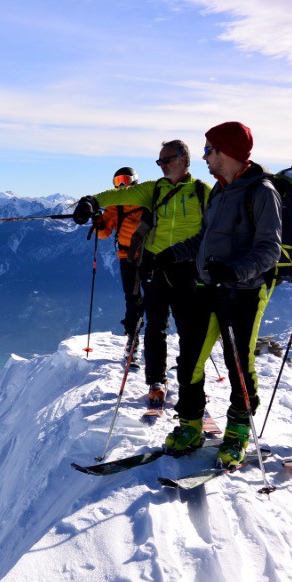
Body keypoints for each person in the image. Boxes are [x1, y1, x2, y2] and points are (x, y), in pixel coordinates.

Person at [151, 122, 282, 467]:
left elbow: (270, 250)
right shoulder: (219, 192)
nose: (205, 156)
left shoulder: (261, 191)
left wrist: (235, 271)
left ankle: (238, 432)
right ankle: (190, 425)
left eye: (209, 150)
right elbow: (204, 240)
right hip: (208, 287)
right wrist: (172, 253)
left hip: (244, 292)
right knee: (191, 357)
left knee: (238, 363)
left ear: (228, 152)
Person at [90, 142, 211, 406]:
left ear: (183, 159)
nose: (162, 165)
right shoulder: (154, 190)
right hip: (155, 264)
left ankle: (191, 380)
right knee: (155, 324)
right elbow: (116, 197)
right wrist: (92, 201)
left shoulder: (203, 192)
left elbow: (220, 224)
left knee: (189, 328)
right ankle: (156, 380)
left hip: (188, 267)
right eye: (159, 162)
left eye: (166, 160)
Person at [89, 167, 144, 362]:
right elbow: (103, 232)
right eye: (117, 181)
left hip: (150, 256)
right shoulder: (116, 206)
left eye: (125, 180)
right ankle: (132, 339)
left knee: (156, 298)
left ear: (134, 181)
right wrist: (97, 220)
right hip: (127, 256)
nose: (121, 185)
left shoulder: (147, 201)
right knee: (132, 298)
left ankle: (150, 338)